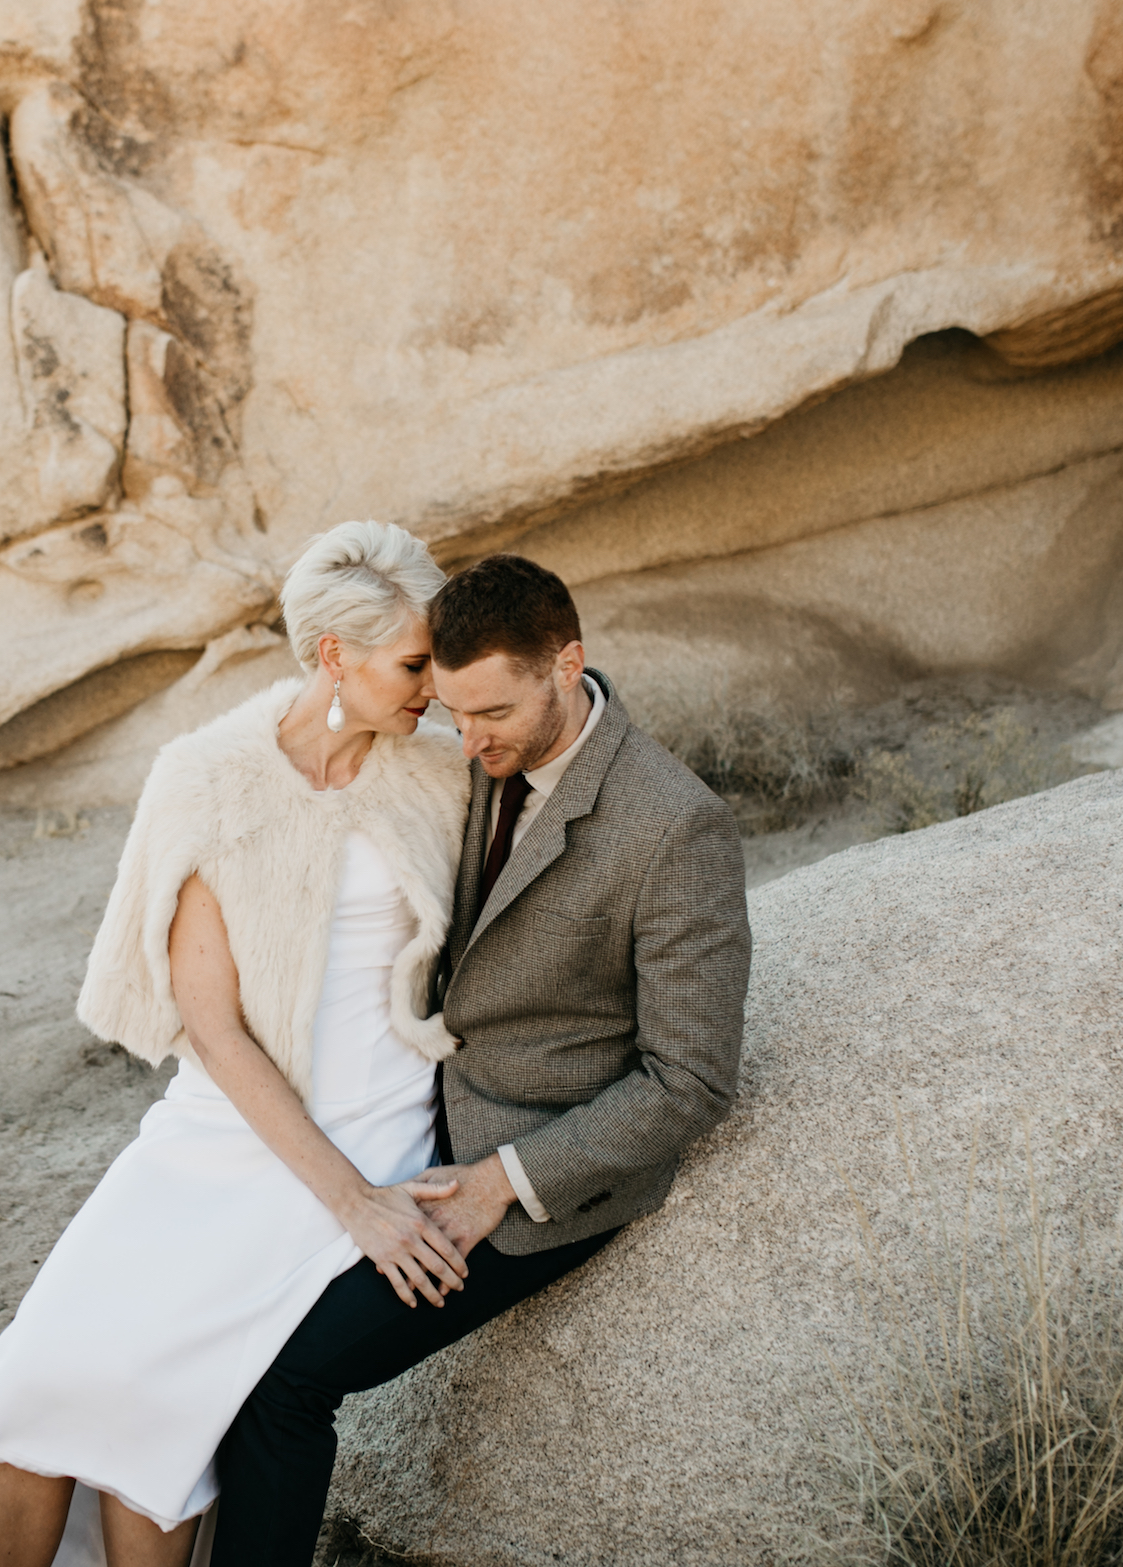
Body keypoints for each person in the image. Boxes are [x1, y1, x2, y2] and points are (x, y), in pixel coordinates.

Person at [0, 521, 476, 1567]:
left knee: (167, 1421)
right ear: (334, 653)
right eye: (416, 662)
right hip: (220, 1138)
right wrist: (349, 1201)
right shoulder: (210, 779)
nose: (437, 686)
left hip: (376, 1130)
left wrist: (377, 1189)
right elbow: (212, 1023)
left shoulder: (441, 773)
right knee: (44, 1378)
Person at [208, 552, 753, 1565]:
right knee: (204, 1330)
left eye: (492, 712)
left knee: (283, 1382)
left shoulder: (675, 826)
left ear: (567, 663)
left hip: (536, 1171)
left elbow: (691, 1080)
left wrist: (502, 1182)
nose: (468, 738)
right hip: (414, 1112)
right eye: (454, 711)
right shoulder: (471, 752)